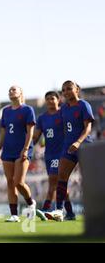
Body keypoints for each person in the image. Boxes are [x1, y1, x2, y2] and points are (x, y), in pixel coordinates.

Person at [45, 81, 95, 222]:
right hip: (68, 147)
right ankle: (59, 211)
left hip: (84, 145)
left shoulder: (84, 105)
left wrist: (78, 142)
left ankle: (93, 208)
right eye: (63, 90)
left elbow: (88, 128)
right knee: (62, 176)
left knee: (88, 180)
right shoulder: (64, 109)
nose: (66, 92)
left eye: (69, 89)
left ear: (77, 89)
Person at [0, 86, 37, 222]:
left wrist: (25, 149)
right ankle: (14, 214)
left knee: (18, 182)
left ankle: (31, 203)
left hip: (22, 150)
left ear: (20, 93)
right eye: (10, 90)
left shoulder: (27, 110)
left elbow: (30, 132)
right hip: (7, 150)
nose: (11, 92)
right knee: (10, 182)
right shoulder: (5, 111)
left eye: (14, 90)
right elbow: (3, 132)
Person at [33, 91, 75, 220]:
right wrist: (27, 145)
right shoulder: (42, 118)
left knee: (53, 182)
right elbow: (36, 137)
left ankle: (46, 210)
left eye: (52, 98)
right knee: (60, 184)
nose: (50, 101)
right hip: (49, 155)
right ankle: (70, 212)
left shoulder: (63, 113)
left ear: (58, 100)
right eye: (47, 99)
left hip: (61, 153)